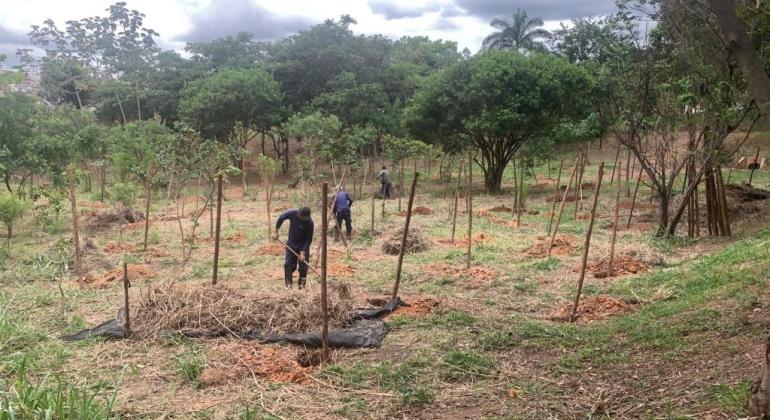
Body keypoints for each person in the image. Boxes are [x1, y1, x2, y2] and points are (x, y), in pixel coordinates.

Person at [273, 207, 314, 289]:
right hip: (291, 243)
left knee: (303, 267)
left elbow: (308, 239)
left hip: (303, 245)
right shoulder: (292, 213)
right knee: (288, 265)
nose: (303, 220)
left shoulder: (310, 223)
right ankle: (288, 286)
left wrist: (303, 252)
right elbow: (281, 217)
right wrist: (276, 230)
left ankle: (301, 286)